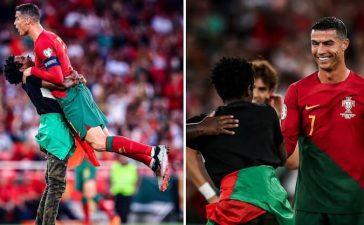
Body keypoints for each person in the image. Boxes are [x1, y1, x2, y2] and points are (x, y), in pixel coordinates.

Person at [13, 3, 169, 191]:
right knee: (106, 141)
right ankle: (152, 162)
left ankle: (155, 151)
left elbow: (57, 77)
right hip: (77, 94)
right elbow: (62, 73)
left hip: (72, 99)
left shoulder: (42, 43)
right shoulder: (50, 37)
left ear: (28, 20)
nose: (15, 23)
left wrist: (31, 71)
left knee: (100, 143)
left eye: (17, 18)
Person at [187, 57, 294, 225]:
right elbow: (283, 157)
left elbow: (178, 138)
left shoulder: (210, 123)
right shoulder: (267, 113)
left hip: (235, 208)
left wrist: (200, 127)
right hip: (273, 204)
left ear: (218, 91)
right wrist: (281, 118)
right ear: (249, 88)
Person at [281, 17, 364, 225]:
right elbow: (286, 146)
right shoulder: (297, 91)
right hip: (310, 205)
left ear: (344, 44)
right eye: (314, 43)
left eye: (328, 43)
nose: (320, 50)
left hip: (354, 204)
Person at [2, 55, 85, 225]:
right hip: (55, 127)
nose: (28, 56)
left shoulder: (29, 77)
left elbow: (56, 86)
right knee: (56, 186)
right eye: (22, 58)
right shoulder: (29, 75)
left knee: (53, 185)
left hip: (51, 126)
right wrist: (74, 81)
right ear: (20, 68)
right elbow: (60, 85)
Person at [110, 155, 139, 224]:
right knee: (118, 212)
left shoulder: (132, 167)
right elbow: (110, 179)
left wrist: (135, 188)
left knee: (126, 212)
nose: (123, 158)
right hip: (117, 192)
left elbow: (137, 179)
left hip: (128, 192)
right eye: (121, 157)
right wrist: (110, 188)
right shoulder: (115, 166)